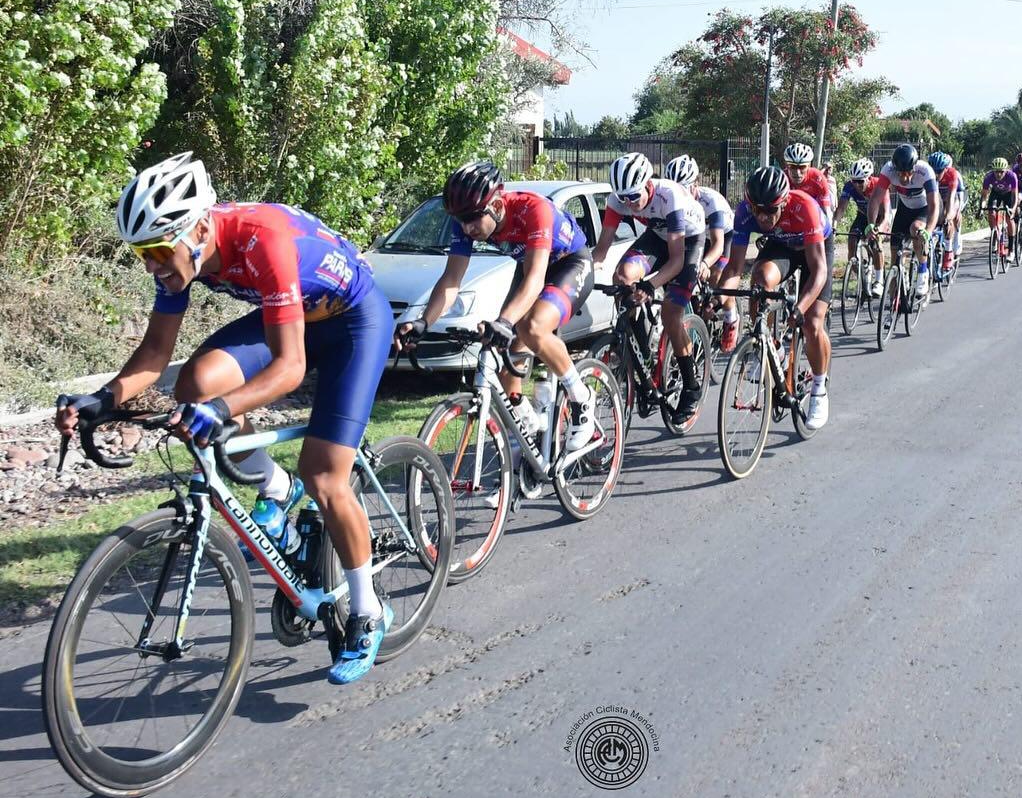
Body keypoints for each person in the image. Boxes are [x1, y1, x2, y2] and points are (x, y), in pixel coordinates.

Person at [56, 152, 395, 686]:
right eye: (142, 253)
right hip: (295, 313)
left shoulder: (264, 241)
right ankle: (275, 486)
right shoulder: (180, 260)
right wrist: (103, 398)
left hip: (354, 320)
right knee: (195, 383)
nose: (152, 265)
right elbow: (153, 355)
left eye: (159, 250)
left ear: (198, 228)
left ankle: (367, 610)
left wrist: (221, 411)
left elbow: (290, 367)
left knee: (326, 475)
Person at [399, 161, 597, 454]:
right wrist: (423, 322)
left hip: (568, 264)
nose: (467, 227)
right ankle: (525, 424)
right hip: (530, 266)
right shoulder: (466, 222)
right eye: (460, 219)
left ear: (496, 202)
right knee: (501, 351)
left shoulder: (534, 209)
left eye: (473, 218)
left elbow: (534, 279)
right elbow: (451, 280)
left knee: (531, 327)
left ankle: (581, 397)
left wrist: (505, 320)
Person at [591, 152, 707, 423]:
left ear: (648, 184)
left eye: (633, 197)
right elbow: (601, 251)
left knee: (670, 312)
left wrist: (650, 285)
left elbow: (677, 260)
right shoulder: (618, 200)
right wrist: (583, 275)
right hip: (656, 236)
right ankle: (641, 359)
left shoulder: (671, 197)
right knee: (622, 279)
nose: (628, 204)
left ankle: (691, 387)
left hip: (688, 242)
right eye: (622, 198)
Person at [722, 166, 832, 428]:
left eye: (771, 210)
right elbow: (735, 268)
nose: (763, 217)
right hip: (782, 244)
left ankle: (819, 388)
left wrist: (800, 309)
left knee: (812, 323)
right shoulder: (745, 212)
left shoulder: (803, 206)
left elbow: (819, 272)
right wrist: (720, 297)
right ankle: (772, 347)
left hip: (814, 251)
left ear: (784, 202)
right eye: (757, 210)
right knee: (759, 282)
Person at [664, 154, 738, 351]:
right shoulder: (670, 202)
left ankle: (731, 318)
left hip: (723, 236)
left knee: (716, 276)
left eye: (684, 187)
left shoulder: (711, 202)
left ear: (695, 184)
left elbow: (718, 245)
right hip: (695, 237)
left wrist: (705, 264)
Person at [870, 143, 940, 296]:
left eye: (907, 172)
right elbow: (875, 199)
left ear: (914, 168)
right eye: (900, 172)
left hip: (924, 208)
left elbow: (934, 206)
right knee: (895, 251)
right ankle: (897, 294)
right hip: (905, 208)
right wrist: (870, 224)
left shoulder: (925, 171)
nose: (903, 177)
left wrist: (928, 231)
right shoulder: (888, 170)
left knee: (916, 229)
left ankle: (923, 271)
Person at [833, 157, 890, 297]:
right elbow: (841, 209)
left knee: (876, 243)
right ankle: (862, 274)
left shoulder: (879, 185)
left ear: (869, 178)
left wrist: (879, 228)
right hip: (863, 216)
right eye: (854, 181)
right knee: (852, 240)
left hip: (880, 218)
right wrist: (834, 226)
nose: (857, 185)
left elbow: (887, 214)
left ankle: (879, 281)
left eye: (860, 181)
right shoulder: (849, 186)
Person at [928, 151, 964, 274]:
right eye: (934, 171)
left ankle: (949, 250)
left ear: (946, 168)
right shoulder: (928, 174)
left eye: (939, 171)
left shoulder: (953, 174)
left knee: (950, 218)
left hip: (953, 197)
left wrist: (949, 217)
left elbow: (951, 197)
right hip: (938, 198)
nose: (937, 174)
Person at [783, 142, 835, 220]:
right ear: (787, 166)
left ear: (809, 166)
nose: (797, 172)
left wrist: (830, 230)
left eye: (802, 167)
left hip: (813, 214)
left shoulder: (818, 178)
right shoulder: (782, 179)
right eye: (792, 166)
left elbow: (826, 211)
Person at [979, 156, 1019, 257]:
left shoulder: (1012, 176)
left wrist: (1013, 209)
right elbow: (984, 196)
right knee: (991, 212)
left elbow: (1015, 195)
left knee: (1009, 219)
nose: (999, 174)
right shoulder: (988, 177)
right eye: (996, 171)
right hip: (996, 193)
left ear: (1006, 170)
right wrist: (981, 209)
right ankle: (995, 236)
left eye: (1001, 171)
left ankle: (1011, 249)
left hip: (1009, 195)